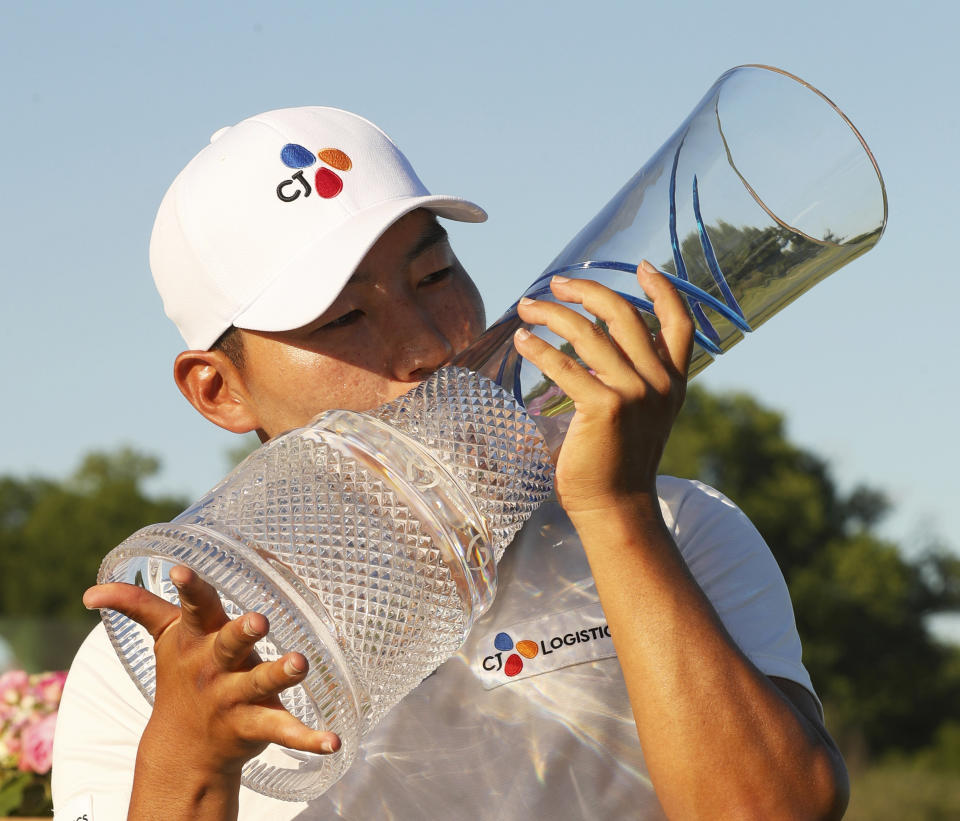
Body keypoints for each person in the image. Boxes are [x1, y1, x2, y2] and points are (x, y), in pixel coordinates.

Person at [52, 107, 848, 820]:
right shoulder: (164, 662)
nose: (429, 345)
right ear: (219, 389)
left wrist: (618, 514)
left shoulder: (676, 526)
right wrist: (190, 757)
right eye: (346, 318)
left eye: (435, 276)